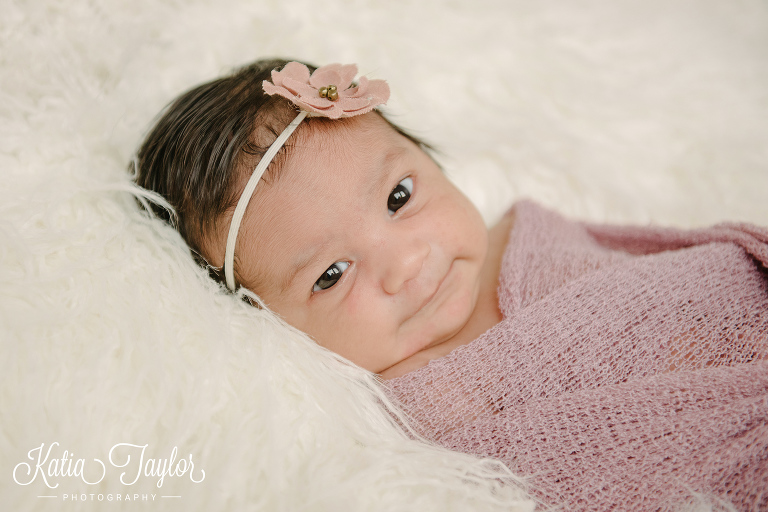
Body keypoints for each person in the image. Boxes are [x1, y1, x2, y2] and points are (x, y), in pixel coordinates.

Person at [134, 58, 768, 511]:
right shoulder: (396, 419)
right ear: (265, 324)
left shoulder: (529, 237)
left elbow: (690, 285)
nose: (407, 263)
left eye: (399, 196)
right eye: (331, 274)